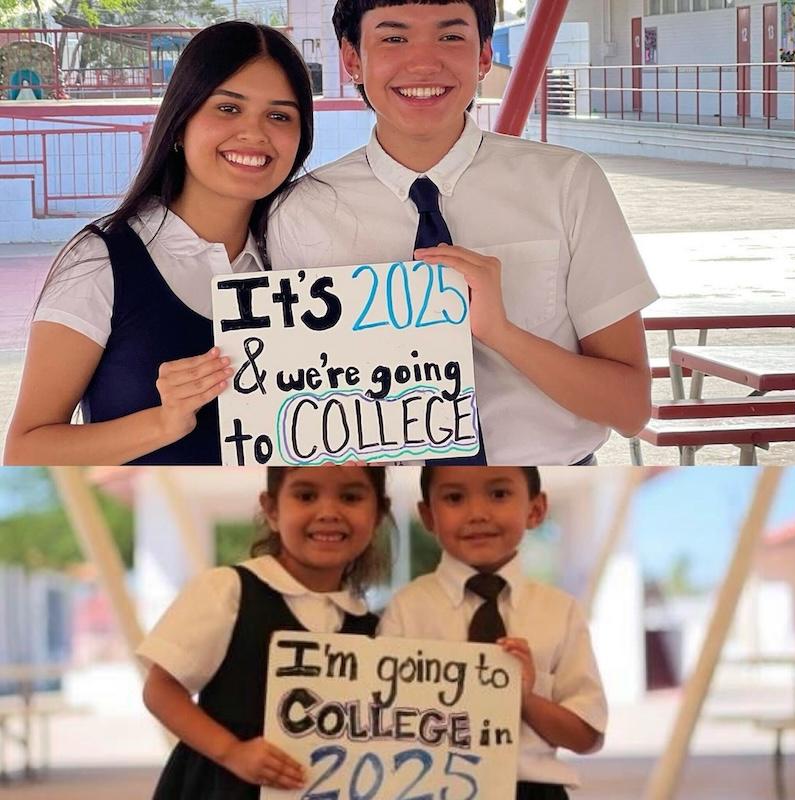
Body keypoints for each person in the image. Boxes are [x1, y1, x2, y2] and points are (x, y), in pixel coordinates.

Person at [266, 0, 658, 465]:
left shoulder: (568, 183)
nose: (423, 63)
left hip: (548, 490)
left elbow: (631, 409)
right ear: (352, 59)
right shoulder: (300, 211)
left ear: (484, 55)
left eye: (450, 37)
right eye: (394, 38)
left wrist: (501, 332)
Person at [4, 21, 314, 466]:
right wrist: (163, 423)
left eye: (280, 116)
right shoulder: (102, 260)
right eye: (228, 108)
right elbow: (25, 451)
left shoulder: (302, 265)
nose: (255, 133)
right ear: (179, 125)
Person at [138, 465, 392, 799]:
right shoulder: (228, 591)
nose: (328, 512)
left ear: (378, 514)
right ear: (271, 510)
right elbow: (160, 690)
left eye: (350, 497)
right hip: (222, 787)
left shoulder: (374, 629)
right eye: (306, 496)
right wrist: (232, 751)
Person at [380, 466, 607, 800]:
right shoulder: (406, 610)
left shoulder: (561, 612)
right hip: (430, 786)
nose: (477, 514)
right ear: (428, 516)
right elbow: (379, 720)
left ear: (535, 510)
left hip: (533, 791)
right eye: (454, 498)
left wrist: (526, 699)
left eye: (499, 494)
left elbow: (587, 736)